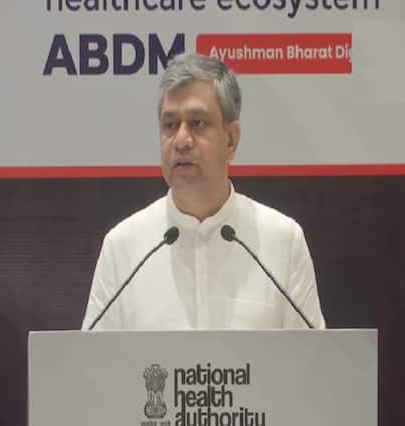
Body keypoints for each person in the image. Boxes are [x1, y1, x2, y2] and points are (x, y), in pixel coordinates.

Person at [82, 53, 325, 330]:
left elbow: (314, 356)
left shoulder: (283, 241)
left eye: (197, 123)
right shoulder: (123, 248)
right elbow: (91, 358)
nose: (181, 140)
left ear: (231, 140)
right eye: (170, 125)